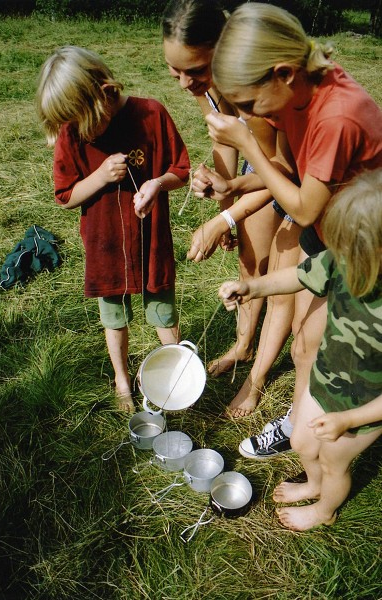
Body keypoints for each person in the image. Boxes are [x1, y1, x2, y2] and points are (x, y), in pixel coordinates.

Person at [195, 2, 382, 450]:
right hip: (334, 228)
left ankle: (322, 439)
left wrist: (244, 141)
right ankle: (301, 425)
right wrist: (234, 182)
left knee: (325, 351)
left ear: (282, 72)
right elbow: (291, 171)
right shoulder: (296, 96)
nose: (250, 116)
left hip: (364, 246)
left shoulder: (335, 114)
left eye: (249, 104)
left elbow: (300, 207)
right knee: (304, 345)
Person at [219, 168, 382, 530]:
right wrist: (254, 288)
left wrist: (348, 420)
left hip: (362, 408)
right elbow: (298, 275)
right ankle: (312, 482)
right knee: (303, 441)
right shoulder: (342, 259)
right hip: (324, 379)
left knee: (333, 462)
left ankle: (325, 509)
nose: (339, 253)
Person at [162, 0, 301, 415]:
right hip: (260, 169)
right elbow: (224, 140)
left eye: (195, 72)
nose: (186, 83)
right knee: (250, 261)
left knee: (279, 278)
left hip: (297, 178)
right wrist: (220, 201)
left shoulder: (254, 92)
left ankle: (256, 380)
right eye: (175, 72)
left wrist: (226, 216)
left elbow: (284, 172)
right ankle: (242, 346)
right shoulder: (206, 87)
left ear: (222, 53)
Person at [36, 46, 190, 412]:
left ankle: (174, 376)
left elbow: (181, 170)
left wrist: (156, 184)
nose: (83, 134)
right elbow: (66, 195)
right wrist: (101, 176)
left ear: (106, 93)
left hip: (152, 241)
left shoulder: (150, 113)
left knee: (163, 313)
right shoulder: (70, 130)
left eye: (88, 124)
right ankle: (123, 380)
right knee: (115, 317)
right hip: (105, 246)